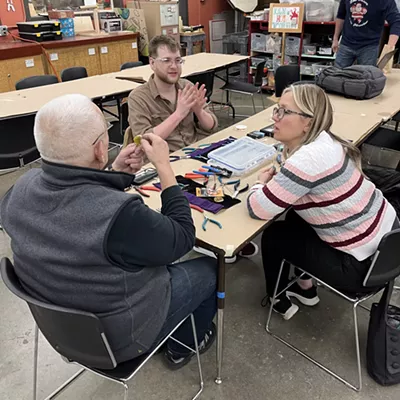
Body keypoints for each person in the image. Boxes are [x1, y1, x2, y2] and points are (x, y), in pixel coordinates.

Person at [0, 94, 217, 369]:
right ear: (101, 149)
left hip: (61, 332)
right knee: (211, 268)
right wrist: (164, 168)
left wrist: (113, 172)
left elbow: (73, 212)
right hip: (122, 340)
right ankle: (183, 344)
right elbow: (183, 238)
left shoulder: (19, 189)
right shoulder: (122, 215)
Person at [247, 84, 398, 320]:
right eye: (277, 109)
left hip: (361, 271)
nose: (274, 117)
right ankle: (304, 287)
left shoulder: (307, 161)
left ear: (308, 121)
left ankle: (277, 297)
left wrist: (260, 184)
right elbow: (292, 167)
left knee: (274, 234)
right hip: (388, 245)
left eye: (284, 112)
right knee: (297, 215)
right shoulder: (325, 140)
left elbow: (258, 208)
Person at [124, 35, 218, 153]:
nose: (174, 66)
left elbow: (212, 126)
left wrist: (199, 112)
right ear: (152, 63)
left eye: (178, 60)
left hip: (195, 152)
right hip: (164, 160)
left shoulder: (187, 86)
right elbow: (144, 142)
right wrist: (178, 114)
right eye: (166, 60)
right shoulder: (138, 98)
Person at [333, 0, 400, 68]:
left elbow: (396, 22)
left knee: (366, 77)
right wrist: (335, 39)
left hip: (369, 48)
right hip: (346, 44)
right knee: (337, 75)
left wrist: (389, 48)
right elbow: (341, 16)